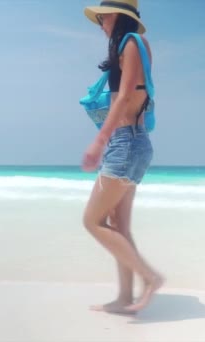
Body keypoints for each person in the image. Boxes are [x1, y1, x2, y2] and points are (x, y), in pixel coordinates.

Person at [81, 0, 163, 314]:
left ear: (115, 16)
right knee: (119, 225)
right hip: (135, 144)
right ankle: (125, 297)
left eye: (102, 19)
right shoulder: (137, 45)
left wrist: (99, 141)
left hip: (124, 144)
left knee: (92, 220)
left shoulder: (131, 43)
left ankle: (150, 277)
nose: (100, 25)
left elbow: (127, 94)